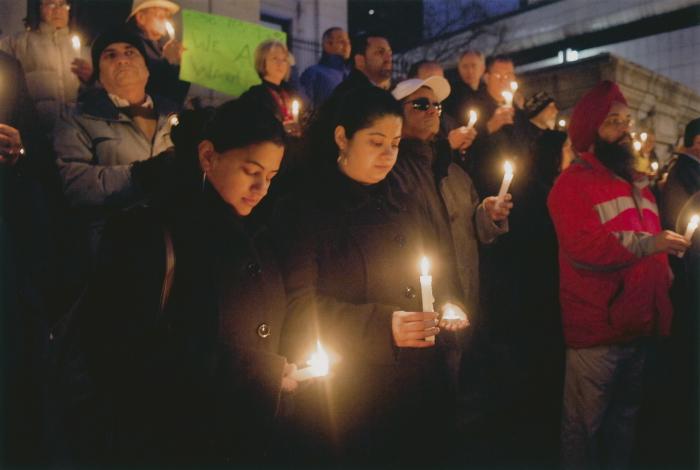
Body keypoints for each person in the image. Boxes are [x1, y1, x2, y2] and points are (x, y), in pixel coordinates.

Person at [67, 98, 299, 466]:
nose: (261, 188)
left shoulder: (261, 230)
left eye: (270, 176)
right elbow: (127, 352)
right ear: (208, 156)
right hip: (174, 444)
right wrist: (255, 372)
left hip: (242, 440)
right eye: (251, 170)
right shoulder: (148, 233)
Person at [279, 86, 465, 465]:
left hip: (418, 389)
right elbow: (298, 310)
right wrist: (384, 326)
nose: (388, 156)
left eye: (395, 144)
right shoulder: (306, 210)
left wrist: (444, 302)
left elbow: (429, 268)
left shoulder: (400, 200)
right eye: (376, 142)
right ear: (341, 137)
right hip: (353, 404)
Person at [547, 80, 689, 469]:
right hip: (598, 330)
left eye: (626, 120)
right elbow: (586, 248)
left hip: (639, 324)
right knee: (584, 428)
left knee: (624, 422)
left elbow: (650, 246)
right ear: (591, 130)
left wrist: (666, 274)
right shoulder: (571, 185)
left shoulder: (638, 184)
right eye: (613, 121)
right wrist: (651, 245)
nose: (624, 128)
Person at [53, 30, 177, 286]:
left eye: (130, 53)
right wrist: (139, 174)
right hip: (116, 249)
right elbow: (75, 184)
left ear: (147, 69)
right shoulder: (77, 118)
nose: (122, 60)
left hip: (177, 244)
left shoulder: (176, 116)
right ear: (98, 74)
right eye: (110, 56)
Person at [0, 0, 92, 135]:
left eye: (63, 4)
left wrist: (91, 79)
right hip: (33, 131)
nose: (57, 10)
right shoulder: (17, 43)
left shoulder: (85, 50)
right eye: (50, 3)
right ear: (38, 8)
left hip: (76, 133)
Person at [461, 55, 520, 198]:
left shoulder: (517, 108)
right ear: (487, 77)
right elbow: (464, 149)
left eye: (508, 75)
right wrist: (490, 126)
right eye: (498, 75)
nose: (504, 80)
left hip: (520, 186)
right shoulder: (473, 104)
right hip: (488, 186)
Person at [125, 0, 189, 108]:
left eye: (168, 17)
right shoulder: (130, 49)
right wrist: (169, 62)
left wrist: (181, 64)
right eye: (160, 16)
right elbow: (153, 93)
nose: (166, 21)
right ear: (141, 18)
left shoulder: (156, 47)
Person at [239, 39, 306, 135]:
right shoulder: (254, 96)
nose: (280, 64)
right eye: (275, 58)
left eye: (284, 60)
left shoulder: (291, 93)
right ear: (263, 62)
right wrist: (280, 129)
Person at [299, 27, 351, 109]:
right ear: (327, 44)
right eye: (341, 41)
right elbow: (305, 107)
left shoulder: (350, 75)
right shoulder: (313, 73)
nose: (347, 45)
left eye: (348, 42)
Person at [443, 50, 485, 125]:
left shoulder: (487, 91)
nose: (470, 71)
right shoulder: (452, 95)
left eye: (473, 65)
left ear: (482, 68)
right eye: (465, 66)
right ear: (459, 69)